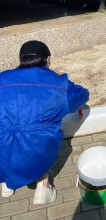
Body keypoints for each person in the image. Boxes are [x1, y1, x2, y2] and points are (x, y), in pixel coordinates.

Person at [0, 40, 89, 203]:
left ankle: (7, 185)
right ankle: (43, 185)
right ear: (47, 59)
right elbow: (81, 95)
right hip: (37, 150)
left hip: (2, 151)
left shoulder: (2, 78)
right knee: (38, 142)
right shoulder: (58, 83)